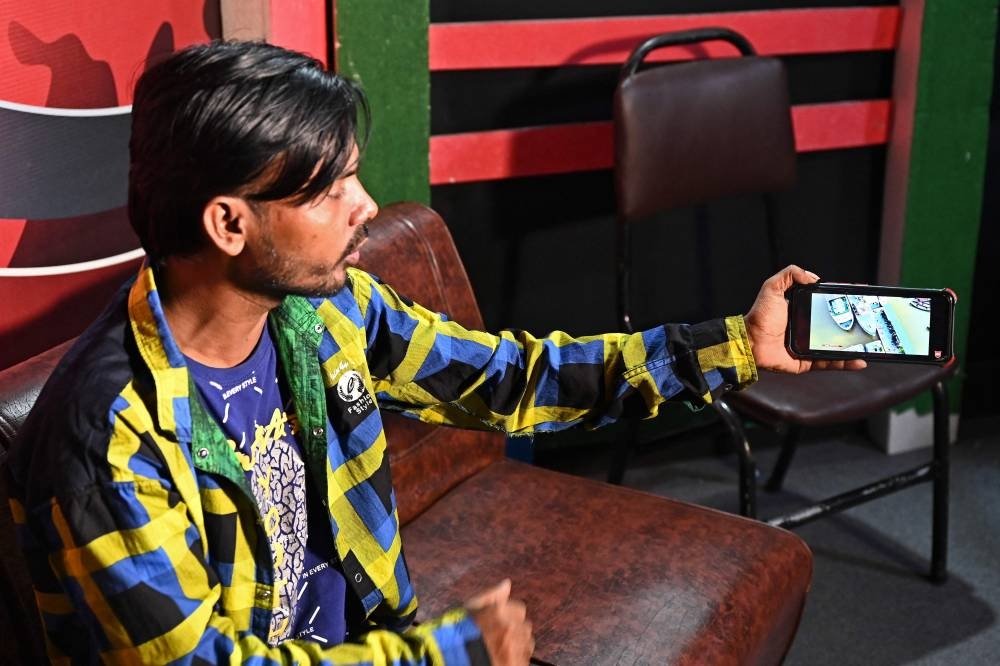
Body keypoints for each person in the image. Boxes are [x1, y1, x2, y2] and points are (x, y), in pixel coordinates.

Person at [6, 40, 863, 666]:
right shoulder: (109, 440)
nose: (366, 205)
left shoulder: (323, 310)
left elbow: (509, 380)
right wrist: (449, 654)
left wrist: (735, 347)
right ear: (229, 223)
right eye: (328, 188)